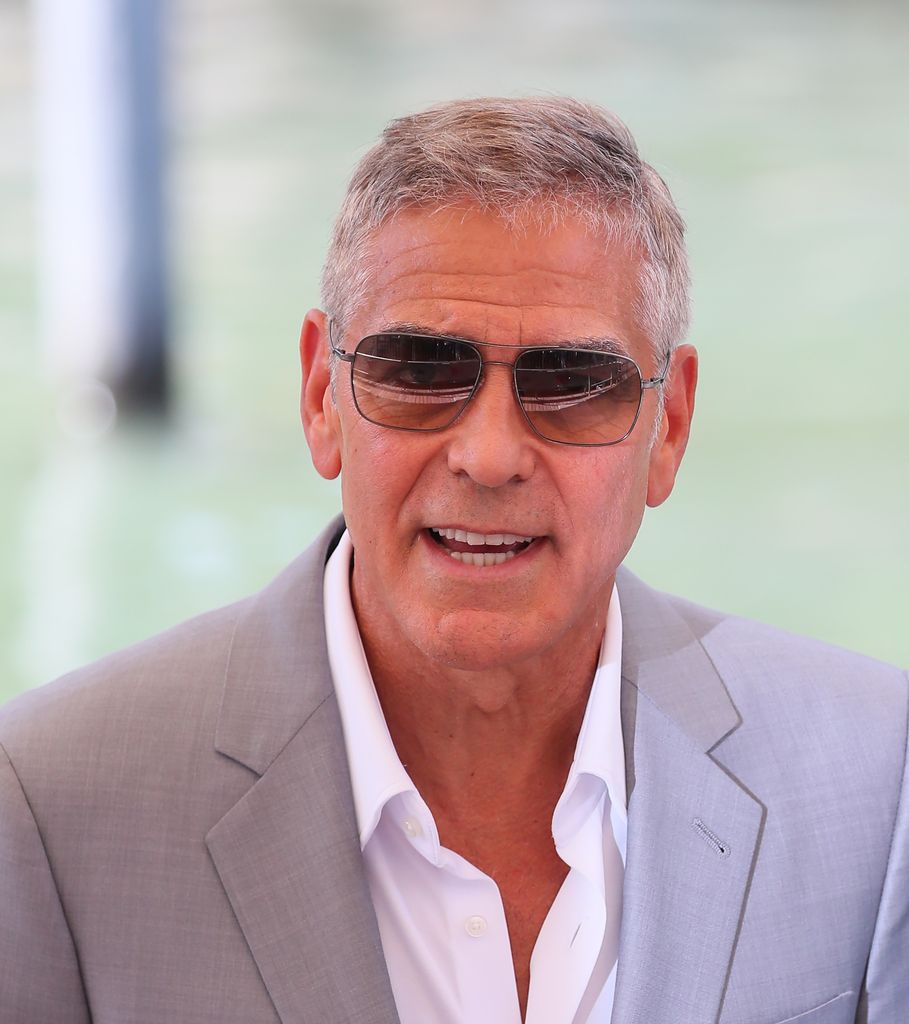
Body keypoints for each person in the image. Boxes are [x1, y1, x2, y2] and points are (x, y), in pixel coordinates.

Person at [0, 97, 905, 1024]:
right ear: (321, 397)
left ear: (667, 428)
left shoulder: (877, 784)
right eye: (421, 370)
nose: (488, 453)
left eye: (571, 384)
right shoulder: (53, 804)